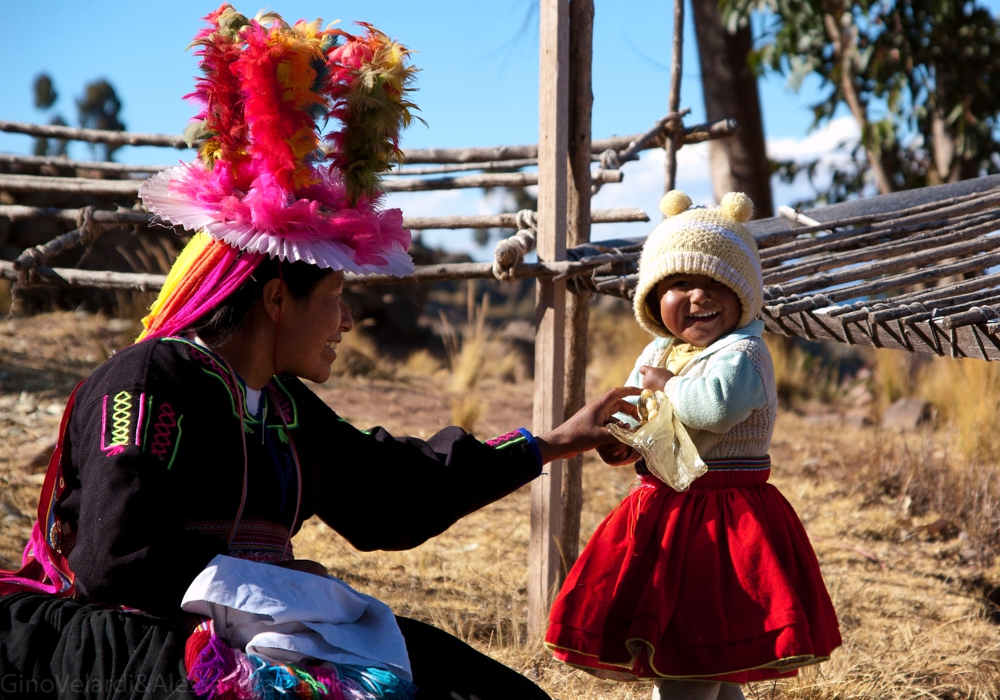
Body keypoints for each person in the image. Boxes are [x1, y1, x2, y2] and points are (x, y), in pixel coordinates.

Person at [0, 8, 638, 700]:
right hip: (135, 647)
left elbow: (395, 493)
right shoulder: (149, 382)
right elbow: (120, 557)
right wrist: (285, 587)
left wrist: (553, 443)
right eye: (334, 296)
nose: (348, 320)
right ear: (277, 299)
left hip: (255, 637)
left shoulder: (282, 408)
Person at [544, 190, 842, 700]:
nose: (698, 297)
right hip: (667, 511)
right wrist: (626, 437)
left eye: (715, 284)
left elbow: (715, 408)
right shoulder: (660, 349)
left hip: (721, 520)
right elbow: (643, 410)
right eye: (680, 283)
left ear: (743, 295)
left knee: (694, 648)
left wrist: (664, 387)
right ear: (654, 297)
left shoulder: (744, 354)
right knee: (705, 661)